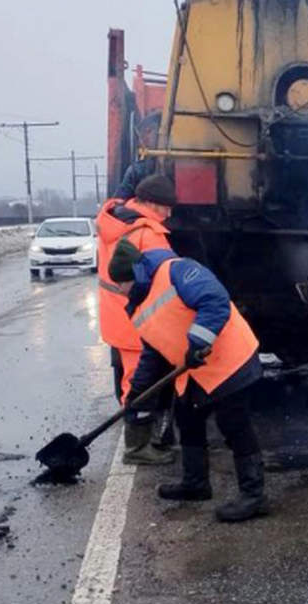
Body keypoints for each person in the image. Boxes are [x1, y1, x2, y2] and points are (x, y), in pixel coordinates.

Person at [107, 239, 269, 523]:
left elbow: (215, 301)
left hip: (229, 360)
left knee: (234, 425)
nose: (119, 290)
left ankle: (255, 496)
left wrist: (197, 342)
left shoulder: (177, 271)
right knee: (187, 420)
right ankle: (196, 485)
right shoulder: (137, 305)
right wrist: (137, 395)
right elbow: (152, 353)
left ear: (133, 276)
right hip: (193, 370)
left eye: (120, 283)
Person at [95, 174, 177, 465]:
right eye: (166, 207)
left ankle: (144, 438)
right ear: (152, 203)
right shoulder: (148, 234)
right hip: (138, 320)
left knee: (134, 378)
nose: (169, 214)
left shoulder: (114, 218)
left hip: (116, 316)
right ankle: (138, 448)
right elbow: (168, 277)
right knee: (140, 382)